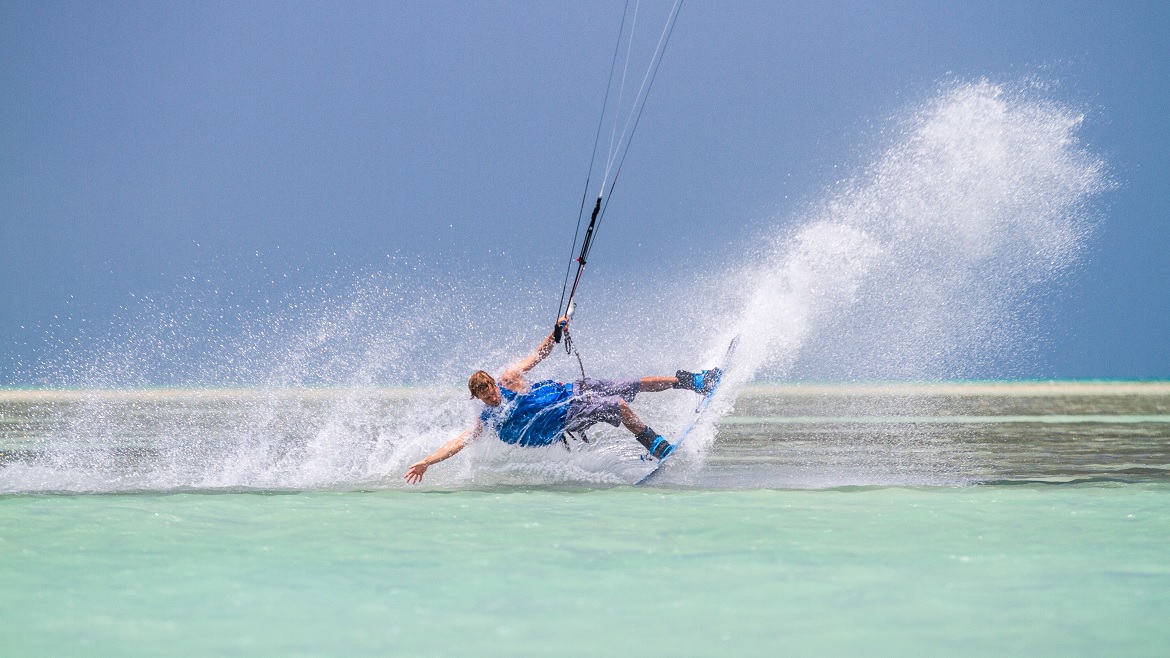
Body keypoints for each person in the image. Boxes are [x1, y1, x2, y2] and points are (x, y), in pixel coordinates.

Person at [403, 317, 721, 484]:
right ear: (478, 397)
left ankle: (696, 381)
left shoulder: (510, 377)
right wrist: (427, 461)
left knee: (632, 384)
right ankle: (657, 446)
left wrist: (556, 331)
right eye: (483, 392)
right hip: (567, 416)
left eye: (490, 386)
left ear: (492, 382)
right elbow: (457, 443)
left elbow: (539, 355)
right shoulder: (488, 421)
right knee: (620, 408)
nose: (491, 393)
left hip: (572, 390)